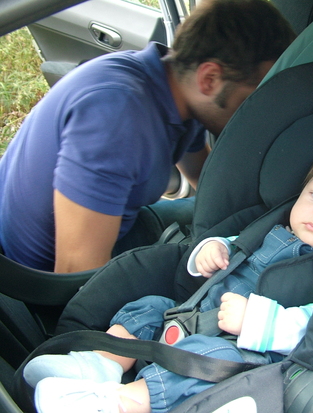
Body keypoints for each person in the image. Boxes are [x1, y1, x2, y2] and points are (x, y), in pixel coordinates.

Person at [23, 131, 313, 413]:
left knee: (205, 358)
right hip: (187, 317)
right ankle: (100, 365)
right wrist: (209, 251)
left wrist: (257, 322)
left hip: (239, 352)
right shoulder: (269, 229)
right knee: (147, 306)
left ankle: (124, 402)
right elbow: (228, 249)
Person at [0, 0, 295, 273]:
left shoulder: (176, 89)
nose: (257, 113)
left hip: (117, 229)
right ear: (209, 79)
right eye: (251, 99)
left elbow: (205, 181)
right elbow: (74, 270)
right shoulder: (118, 117)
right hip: (41, 278)